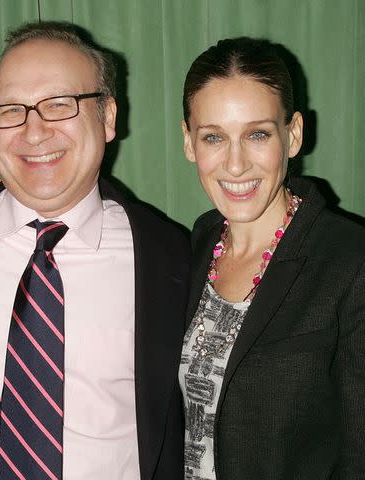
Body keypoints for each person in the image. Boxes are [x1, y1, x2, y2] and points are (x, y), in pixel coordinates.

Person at [0, 21, 190, 480]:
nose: (34, 132)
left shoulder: (171, 257)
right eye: (11, 109)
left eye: (59, 104)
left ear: (108, 117)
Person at [179, 37, 365, 479]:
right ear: (189, 143)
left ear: (293, 134)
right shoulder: (195, 243)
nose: (236, 163)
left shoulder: (351, 262)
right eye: (213, 138)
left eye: (257, 134)